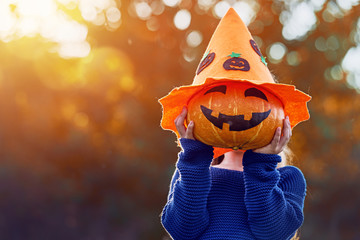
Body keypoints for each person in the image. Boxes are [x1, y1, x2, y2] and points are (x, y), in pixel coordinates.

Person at [160, 107, 306, 240]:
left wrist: (261, 165)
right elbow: (183, 231)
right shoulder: (191, 171)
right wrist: (195, 157)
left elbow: (272, 233)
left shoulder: (288, 177)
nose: (238, 116)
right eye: (229, 107)